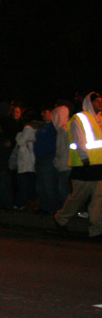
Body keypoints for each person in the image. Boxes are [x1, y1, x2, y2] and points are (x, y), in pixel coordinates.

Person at [54, 92, 102, 240]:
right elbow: (79, 141)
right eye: (97, 101)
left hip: (98, 166)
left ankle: (96, 231)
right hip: (84, 167)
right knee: (78, 198)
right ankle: (60, 219)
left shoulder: (99, 119)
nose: (100, 104)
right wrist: (85, 161)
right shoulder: (80, 118)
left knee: (98, 201)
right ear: (90, 102)